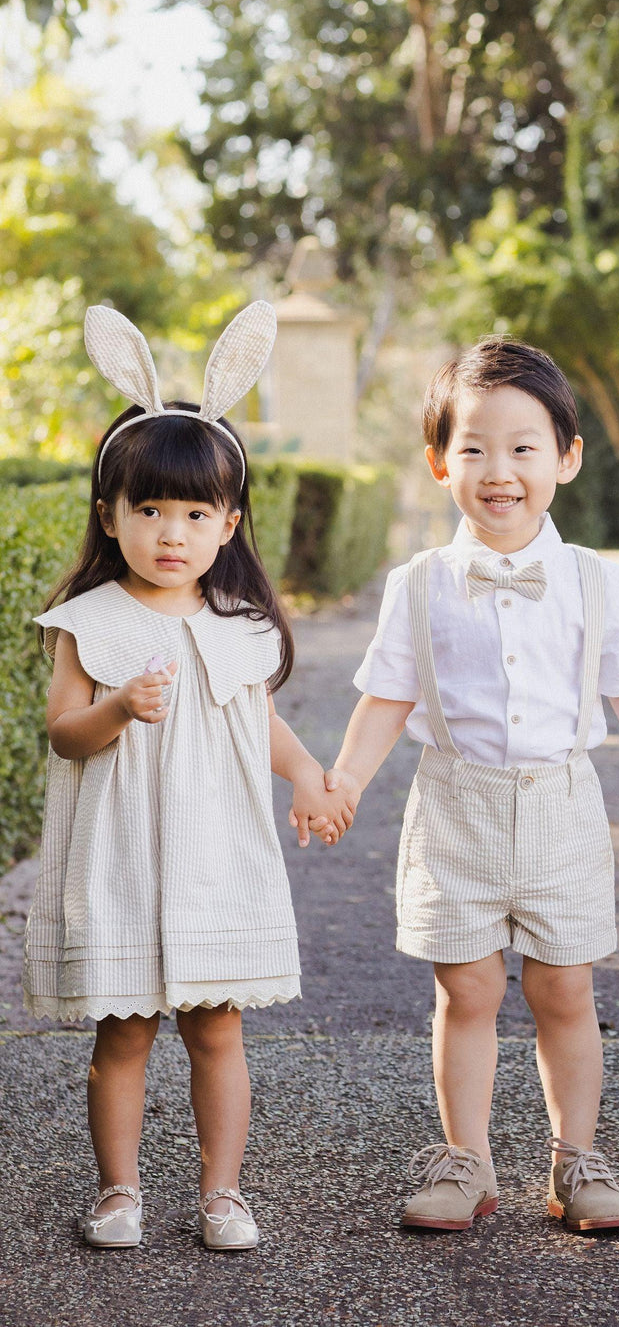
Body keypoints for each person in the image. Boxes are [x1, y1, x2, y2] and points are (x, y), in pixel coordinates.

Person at [326, 337, 619, 1232]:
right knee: (466, 991)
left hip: (560, 805)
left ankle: (575, 1157)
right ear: (440, 463)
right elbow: (385, 696)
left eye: (523, 447)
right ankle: (466, 1159)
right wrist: (345, 780)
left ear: (566, 457)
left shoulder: (596, 581)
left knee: (565, 991)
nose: (498, 469)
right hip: (453, 806)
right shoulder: (420, 584)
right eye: (473, 448)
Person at [25, 303, 351, 1251]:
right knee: (123, 1033)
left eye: (196, 514)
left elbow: (263, 725)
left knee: (218, 1030)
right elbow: (63, 737)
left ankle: (222, 1193)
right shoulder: (88, 622)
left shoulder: (240, 625)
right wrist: (117, 708)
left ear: (229, 523)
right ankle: (118, 1191)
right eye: (151, 510)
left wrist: (309, 779)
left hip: (215, 855)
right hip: (122, 859)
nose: (173, 532)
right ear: (111, 514)